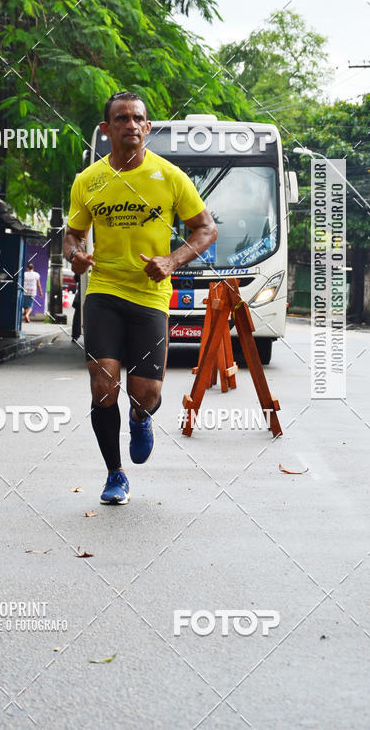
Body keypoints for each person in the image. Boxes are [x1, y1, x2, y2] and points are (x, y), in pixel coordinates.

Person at [63, 91, 217, 505]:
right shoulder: (88, 181)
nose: (131, 124)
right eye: (122, 118)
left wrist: (171, 260)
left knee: (144, 393)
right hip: (105, 292)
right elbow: (72, 234)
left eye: (139, 118)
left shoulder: (169, 177)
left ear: (148, 127)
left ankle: (140, 417)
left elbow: (205, 229)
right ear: (106, 128)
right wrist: (76, 256)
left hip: (150, 296)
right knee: (103, 386)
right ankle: (115, 474)